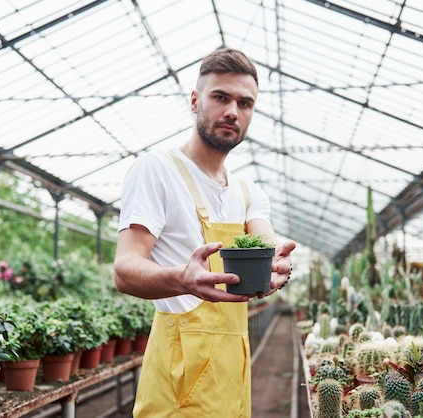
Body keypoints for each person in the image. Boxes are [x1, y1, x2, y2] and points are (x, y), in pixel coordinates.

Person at [113, 47, 296, 417]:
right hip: (177, 384)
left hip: (231, 383)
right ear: (195, 100)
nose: (233, 111)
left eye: (245, 103)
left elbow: (267, 242)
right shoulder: (157, 169)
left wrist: (277, 264)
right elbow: (124, 268)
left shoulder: (247, 192)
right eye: (221, 97)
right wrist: (183, 279)